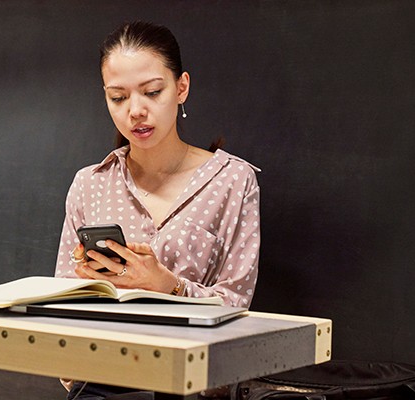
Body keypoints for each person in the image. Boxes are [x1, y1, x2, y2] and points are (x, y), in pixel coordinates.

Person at [53, 21, 261, 400]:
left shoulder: (232, 180)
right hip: (101, 380)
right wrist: (85, 284)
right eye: (118, 98)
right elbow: (62, 303)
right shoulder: (91, 183)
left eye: (152, 92)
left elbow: (236, 305)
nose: (136, 111)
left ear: (181, 88)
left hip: (191, 383)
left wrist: (169, 286)